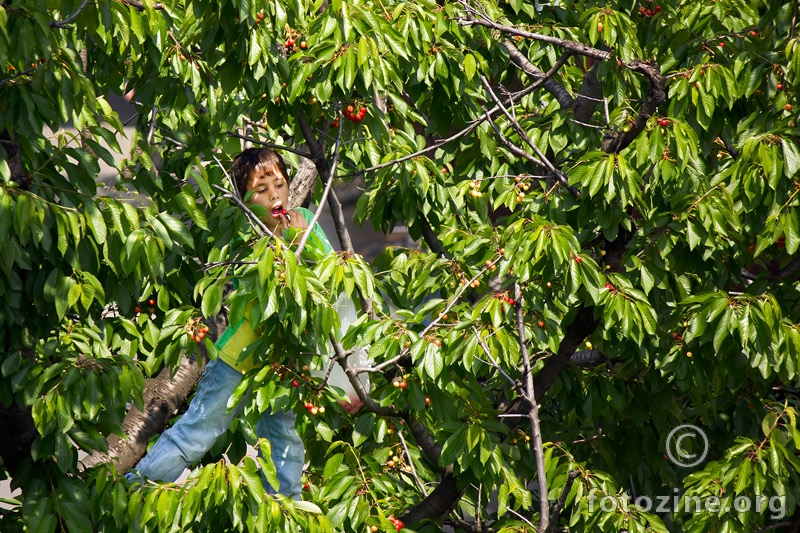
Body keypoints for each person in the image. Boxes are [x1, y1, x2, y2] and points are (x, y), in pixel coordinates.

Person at [126, 148, 362, 497]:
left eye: (279, 185)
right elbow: (255, 271)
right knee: (199, 432)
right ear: (243, 200)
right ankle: (135, 489)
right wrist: (283, 242)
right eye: (261, 190)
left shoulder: (305, 223)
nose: (274, 196)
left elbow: (332, 274)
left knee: (284, 441)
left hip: (283, 363)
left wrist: (301, 236)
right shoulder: (242, 230)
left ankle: (285, 509)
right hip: (237, 358)